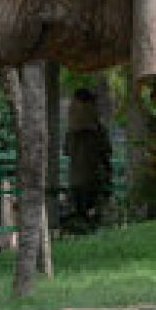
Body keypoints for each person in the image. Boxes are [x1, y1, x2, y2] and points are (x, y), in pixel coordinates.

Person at [63, 88, 112, 231]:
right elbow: (106, 152)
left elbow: (66, 151)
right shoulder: (97, 131)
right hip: (92, 179)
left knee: (83, 216)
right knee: (90, 217)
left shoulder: (72, 132)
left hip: (80, 179)